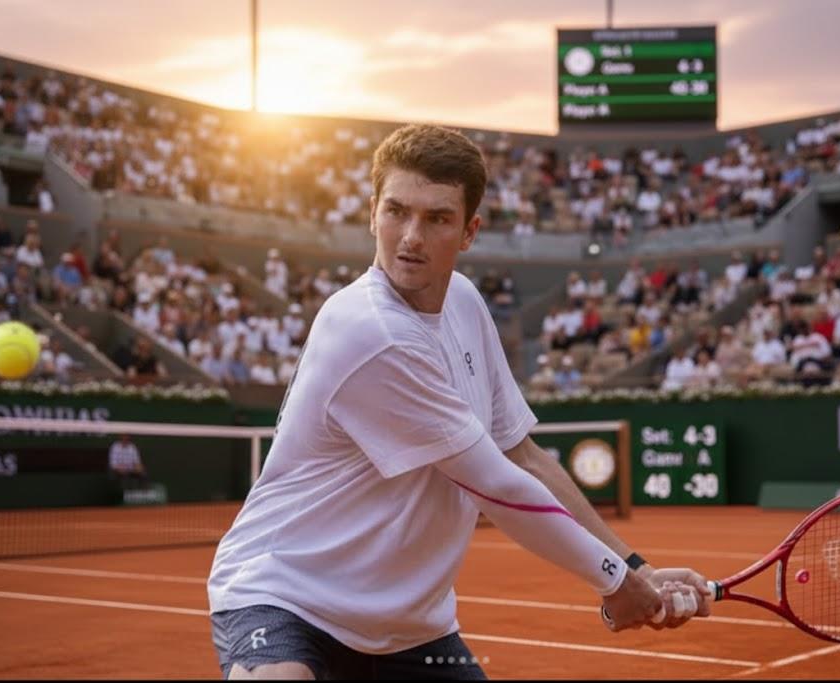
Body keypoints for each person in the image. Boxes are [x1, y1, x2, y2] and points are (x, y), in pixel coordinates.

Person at [207, 125, 711, 680]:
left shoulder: (465, 303)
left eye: (437, 218)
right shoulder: (372, 331)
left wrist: (636, 567)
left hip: (408, 626)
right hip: (286, 595)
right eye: (396, 211)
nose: (411, 237)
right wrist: (616, 581)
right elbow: (497, 485)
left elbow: (523, 457)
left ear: (469, 231)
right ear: (372, 213)